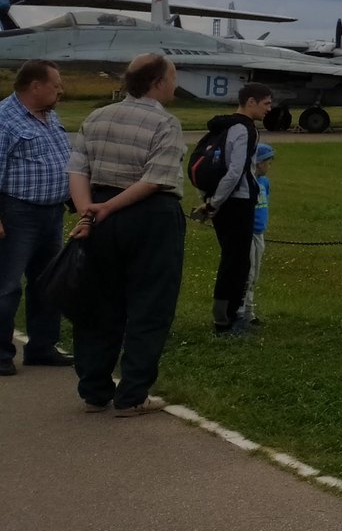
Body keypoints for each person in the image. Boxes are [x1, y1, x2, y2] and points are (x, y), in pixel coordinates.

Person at [67, 52, 188, 417]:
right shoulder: (165, 124)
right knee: (150, 304)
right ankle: (133, 393)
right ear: (157, 83)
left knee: (98, 303)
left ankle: (94, 389)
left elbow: (77, 170)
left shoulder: (97, 116)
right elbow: (154, 179)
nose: (174, 84)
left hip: (99, 210)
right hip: (149, 216)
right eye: (172, 77)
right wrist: (109, 207)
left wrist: (89, 211)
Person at [0, 59, 74, 376]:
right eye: (55, 84)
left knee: (47, 283)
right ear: (35, 86)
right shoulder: (4, 120)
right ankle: (1, 354)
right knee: (7, 286)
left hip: (52, 213)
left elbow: (62, 161)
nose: (60, 90)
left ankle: (42, 347)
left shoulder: (49, 116)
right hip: (17, 213)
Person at [192, 82, 270, 335]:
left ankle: (226, 316)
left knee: (232, 260)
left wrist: (212, 200)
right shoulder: (245, 129)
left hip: (223, 201)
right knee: (237, 263)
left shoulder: (224, 125)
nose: (269, 109)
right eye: (266, 103)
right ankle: (229, 321)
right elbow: (236, 170)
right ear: (251, 102)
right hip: (236, 202)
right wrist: (215, 202)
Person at [236, 142, 274, 329]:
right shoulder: (246, 183)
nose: (269, 166)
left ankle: (250, 311)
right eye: (267, 162)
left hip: (259, 233)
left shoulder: (264, 182)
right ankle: (242, 313)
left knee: (255, 273)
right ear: (258, 163)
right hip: (247, 233)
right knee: (247, 273)